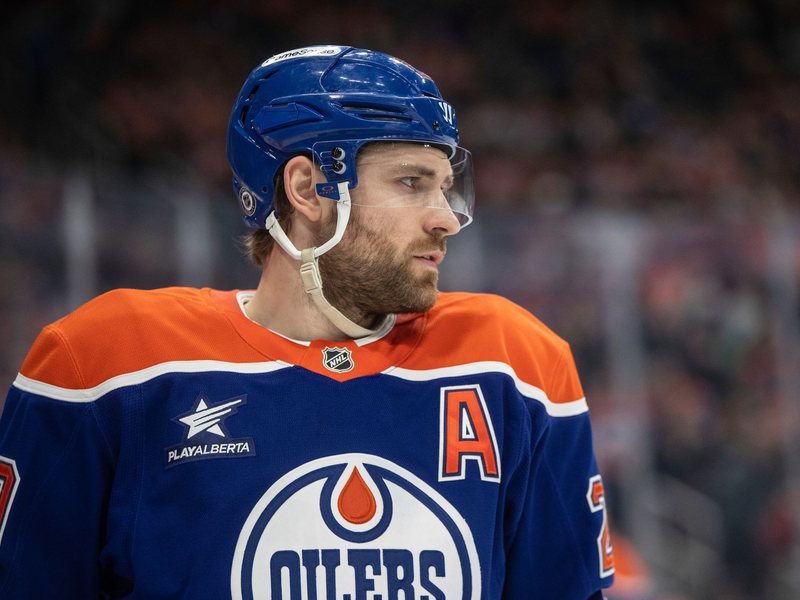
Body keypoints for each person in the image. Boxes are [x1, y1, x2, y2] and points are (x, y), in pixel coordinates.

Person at [0, 46, 614, 599]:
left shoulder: (516, 363)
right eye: (411, 183)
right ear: (308, 187)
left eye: (447, 187)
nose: (446, 218)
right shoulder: (111, 361)